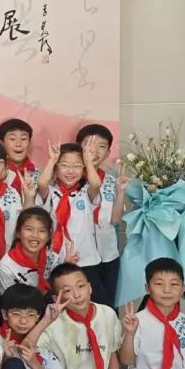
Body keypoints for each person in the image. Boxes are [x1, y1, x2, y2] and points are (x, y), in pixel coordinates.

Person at [36, 140, 105, 302]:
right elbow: (42, 183)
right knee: (59, 303)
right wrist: (52, 159)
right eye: (65, 165)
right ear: (56, 168)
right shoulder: (51, 193)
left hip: (86, 259)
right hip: (57, 260)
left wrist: (88, 161)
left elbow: (96, 183)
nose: (70, 171)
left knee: (94, 303)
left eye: (77, 166)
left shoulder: (85, 193)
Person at [76, 124, 129, 306]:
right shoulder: (71, 179)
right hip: (80, 256)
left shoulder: (111, 181)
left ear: (108, 153)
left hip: (108, 252)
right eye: (89, 144)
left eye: (101, 146)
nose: (95, 151)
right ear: (80, 147)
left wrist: (120, 192)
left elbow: (115, 220)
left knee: (108, 305)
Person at [0, 207, 70, 294]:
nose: (35, 235)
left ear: (48, 236)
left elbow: (62, 289)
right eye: (29, 229)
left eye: (42, 231)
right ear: (18, 233)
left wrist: (67, 269)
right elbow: (9, 298)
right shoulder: (6, 265)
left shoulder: (53, 259)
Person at [0, 118, 39, 196]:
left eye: (23, 139)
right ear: (1, 143)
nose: (18, 144)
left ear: (30, 142)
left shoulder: (39, 175)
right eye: (12, 139)